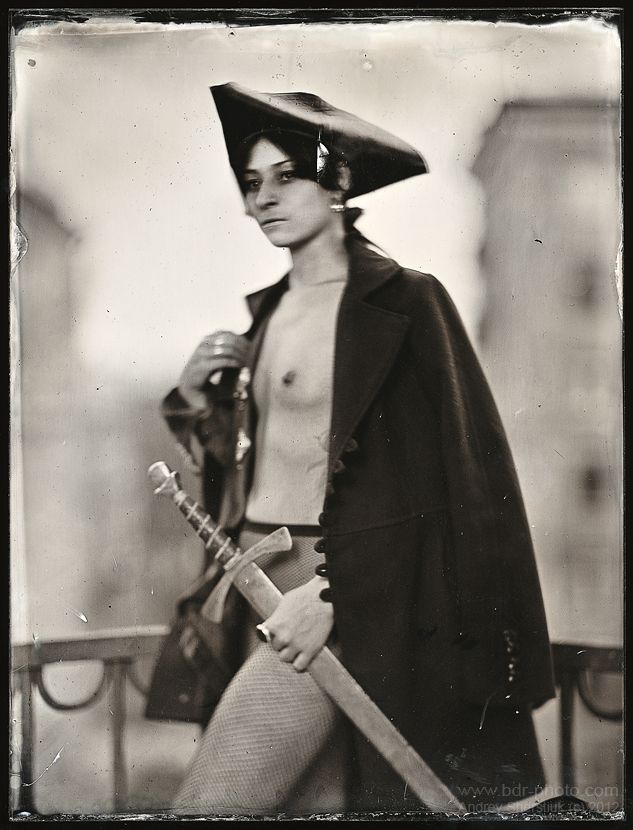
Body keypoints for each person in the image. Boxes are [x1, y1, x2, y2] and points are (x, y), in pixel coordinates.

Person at [148, 82, 556, 816]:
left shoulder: (406, 303)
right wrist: (198, 399)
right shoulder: (266, 315)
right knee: (311, 807)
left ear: (337, 181)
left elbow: (454, 483)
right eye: (251, 183)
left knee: (209, 804)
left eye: (285, 176)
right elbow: (250, 470)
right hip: (255, 590)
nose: (264, 198)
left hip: (339, 595)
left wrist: (336, 592)